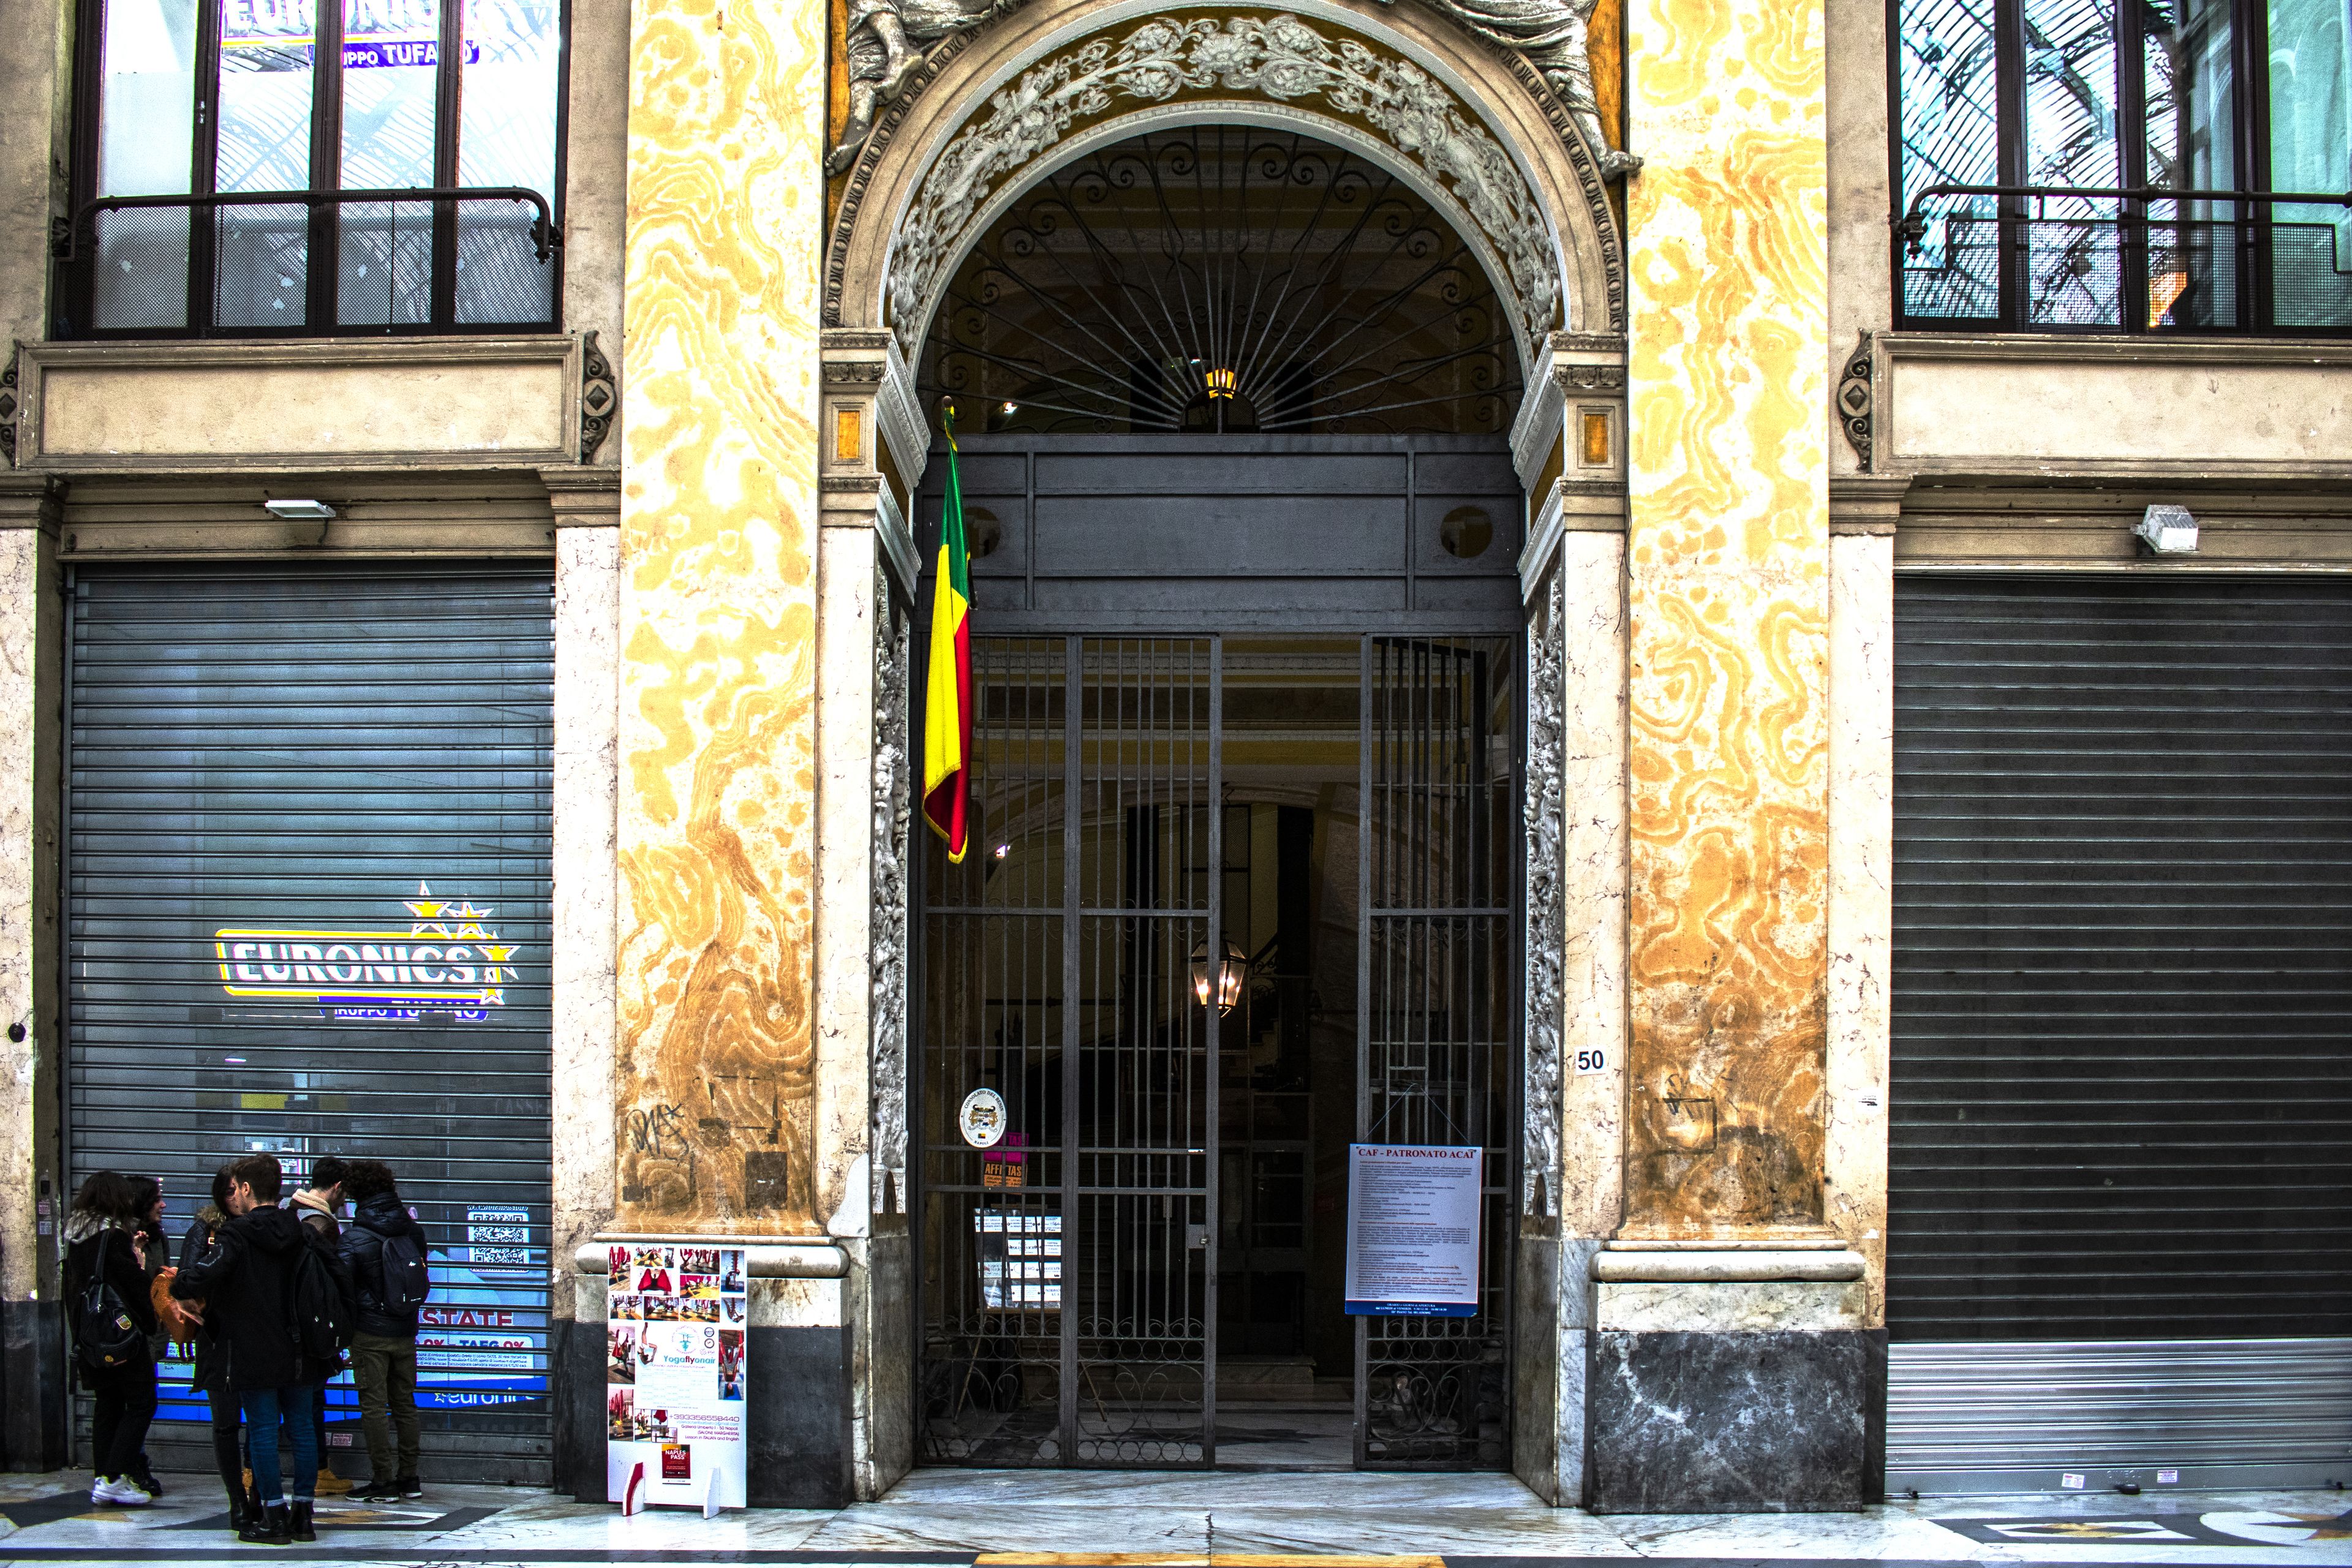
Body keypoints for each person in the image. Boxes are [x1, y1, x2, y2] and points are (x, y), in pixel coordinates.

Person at [172, 1153, 346, 1546]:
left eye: (237, 1187)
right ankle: (304, 1516)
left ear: (247, 1189)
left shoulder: (237, 1235)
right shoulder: (302, 1230)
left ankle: (273, 1518)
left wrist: (179, 1287)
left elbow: (196, 1278)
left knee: (263, 1431)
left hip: (254, 1351)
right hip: (302, 1350)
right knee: (303, 1429)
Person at [63, 1171, 159, 1508]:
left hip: (92, 1338)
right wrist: (150, 1322)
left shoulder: (75, 1237)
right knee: (142, 1402)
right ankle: (115, 1477)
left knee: (108, 1405)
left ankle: (103, 1478)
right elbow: (133, 1286)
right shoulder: (113, 1236)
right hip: (121, 1337)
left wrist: (82, 1338)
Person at [337, 1160, 425, 1502]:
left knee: (373, 1406)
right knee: (405, 1403)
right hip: (406, 1330)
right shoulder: (412, 1231)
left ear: (355, 1195)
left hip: (370, 1334)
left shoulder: (354, 1238)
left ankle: (383, 1481)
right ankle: (410, 1478)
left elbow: (342, 1289)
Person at [179, 1164, 249, 1532]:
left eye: (243, 1188)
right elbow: (186, 1279)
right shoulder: (204, 1230)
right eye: (232, 1189)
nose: (239, 1196)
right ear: (222, 1195)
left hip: (256, 1340)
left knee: (261, 1423)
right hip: (218, 1340)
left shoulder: (262, 1226)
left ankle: (258, 1496)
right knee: (226, 1424)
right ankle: (237, 1500)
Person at [289, 1155, 354, 1498]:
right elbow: (322, 1284)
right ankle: (318, 1472)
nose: (346, 1201)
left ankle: (251, 1473)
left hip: (282, 1324)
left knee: (270, 1403)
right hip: (309, 1329)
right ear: (337, 1187)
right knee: (312, 1401)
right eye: (346, 1193)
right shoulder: (323, 1224)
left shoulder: (288, 1210)